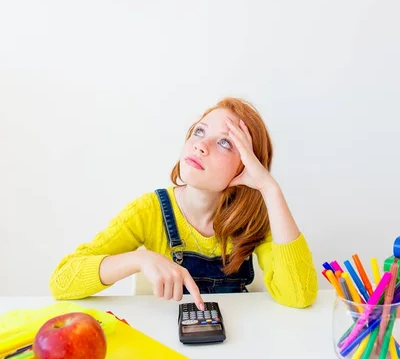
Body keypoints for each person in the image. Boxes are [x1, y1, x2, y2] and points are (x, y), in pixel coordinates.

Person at [49, 97, 318, 310]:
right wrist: (139, 259)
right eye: (199, 131)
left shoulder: (254, 220)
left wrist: (269, 188)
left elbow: (299, 296)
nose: (201, 145)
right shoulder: (148, 211)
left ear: (246, 165)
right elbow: (62, 281)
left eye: (225, 142)